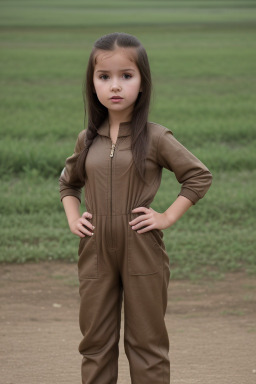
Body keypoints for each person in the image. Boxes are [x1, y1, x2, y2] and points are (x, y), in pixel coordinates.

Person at [59, 32, 212, 384]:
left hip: (142, 248)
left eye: (126, 76)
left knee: (146, 343)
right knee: (95, 342)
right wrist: (73, 217)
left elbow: (198, 177)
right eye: (104, 77)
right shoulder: (88, 139)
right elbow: (69, 183)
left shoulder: (156, 137)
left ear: (142, 82)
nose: (115, 86)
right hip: (95, 250)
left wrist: (167, 216)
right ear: (92, 83)